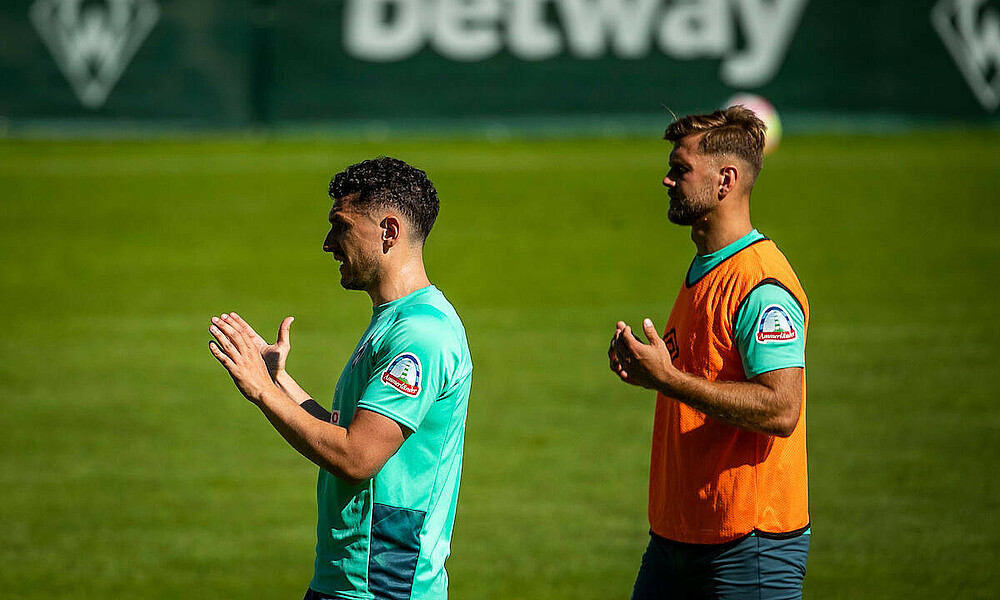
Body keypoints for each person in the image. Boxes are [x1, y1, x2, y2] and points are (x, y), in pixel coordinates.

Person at [208, 157, 473, 600]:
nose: (328, 243)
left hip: (384, 585)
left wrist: (260, 393)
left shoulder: (421, 336)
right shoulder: (393, 320)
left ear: (389, 231)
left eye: (341, 226)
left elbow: (357, 457)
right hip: (348, 580)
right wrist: (278, 383)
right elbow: (345, 431)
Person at [609, 106, 810, 599]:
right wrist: (650, 373)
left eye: (681, 170)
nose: (667, 180)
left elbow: (782, 408)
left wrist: (670, 380)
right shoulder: (704, 268)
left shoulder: (760, 283)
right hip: (678, 538)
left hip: (748, 545)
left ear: (725, 180)